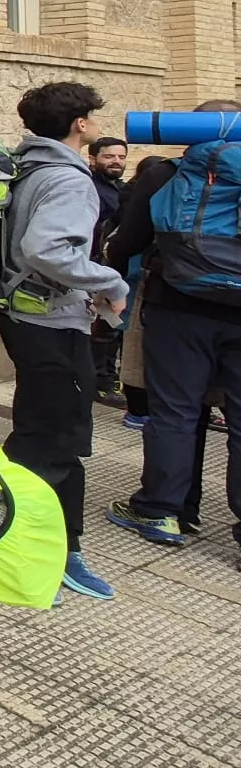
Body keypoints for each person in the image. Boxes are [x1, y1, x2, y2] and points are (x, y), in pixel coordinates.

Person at [0, 82, 129, 600]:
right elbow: (47, 249)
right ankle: (56, 550)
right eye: (94, 119)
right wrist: (109, 283)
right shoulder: (70, 180)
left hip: (22, 314)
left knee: (37, 432)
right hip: (52, 323)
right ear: (80, 125)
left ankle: (16, 534)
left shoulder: (25, 165)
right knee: (55, 443)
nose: (97, 126)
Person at [105, 100, 241, 550]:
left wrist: (112, 273)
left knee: (176, 412)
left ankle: (165, 511)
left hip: (178, 307)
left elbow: (129, 239)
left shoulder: (165, 173)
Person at [88, 137, 130, 404]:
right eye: (109, 157)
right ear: (93, 159)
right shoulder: (89, 187)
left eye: (121, 157)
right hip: (94, 265)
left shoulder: (121, 189)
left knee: (113, 327)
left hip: (114, 267)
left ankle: (108, 377)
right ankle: (99, 382)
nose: (116, 162)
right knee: (102, 328)